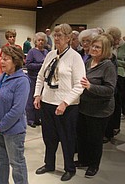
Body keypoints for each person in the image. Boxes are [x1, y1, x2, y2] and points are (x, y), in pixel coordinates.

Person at [34, 24, 85, 182]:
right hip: (47, 102)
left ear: (69, 38)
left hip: (66, 106)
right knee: (49, 138)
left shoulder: (75, 57)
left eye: (60, 36)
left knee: (67, 139)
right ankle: (49, 164)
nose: (56, 38)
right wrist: (37, 95)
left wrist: (65, 103)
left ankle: (70, 168)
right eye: (55, 35)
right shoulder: (50, 55)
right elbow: (41, 76)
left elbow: (79, 85)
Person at [0, 45, 30, 184]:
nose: (2, 62)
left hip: (13, 131)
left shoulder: (22, 81)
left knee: (16, 163)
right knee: (1, 161)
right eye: (1, 59)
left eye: (6, 59)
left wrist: (1, 126)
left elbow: (17, 110)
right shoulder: (1, 78)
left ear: (15, 61)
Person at [76, 34, 117, 178]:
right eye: (93, 45)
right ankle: (83, 160)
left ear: (104, 49)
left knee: (95, 139)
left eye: (97, 47)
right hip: (84, 107)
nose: (93, 48)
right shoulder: (88, 62)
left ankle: (94, 165)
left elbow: (110, 90)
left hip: (100, 110)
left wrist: (90, 86)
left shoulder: (108, 66)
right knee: (82, 136)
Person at [105, 27, 125, 140]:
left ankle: (115, 126)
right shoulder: (108, 46)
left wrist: (115, 61)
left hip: (120, 76)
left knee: (117, 102)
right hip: (108, 74)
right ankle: (108, 128)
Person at [25, 32, 48, 127]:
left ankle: (37, 118)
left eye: (42, 40)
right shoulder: (32, 52)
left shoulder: (46, 52)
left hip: (43, 80)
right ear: (35, 41)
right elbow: (28, 65)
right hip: (33, 78)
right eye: (39, 40)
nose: (41, 42)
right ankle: (30, 119)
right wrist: (41, 65)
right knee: (31, 99)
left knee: (40, 99)